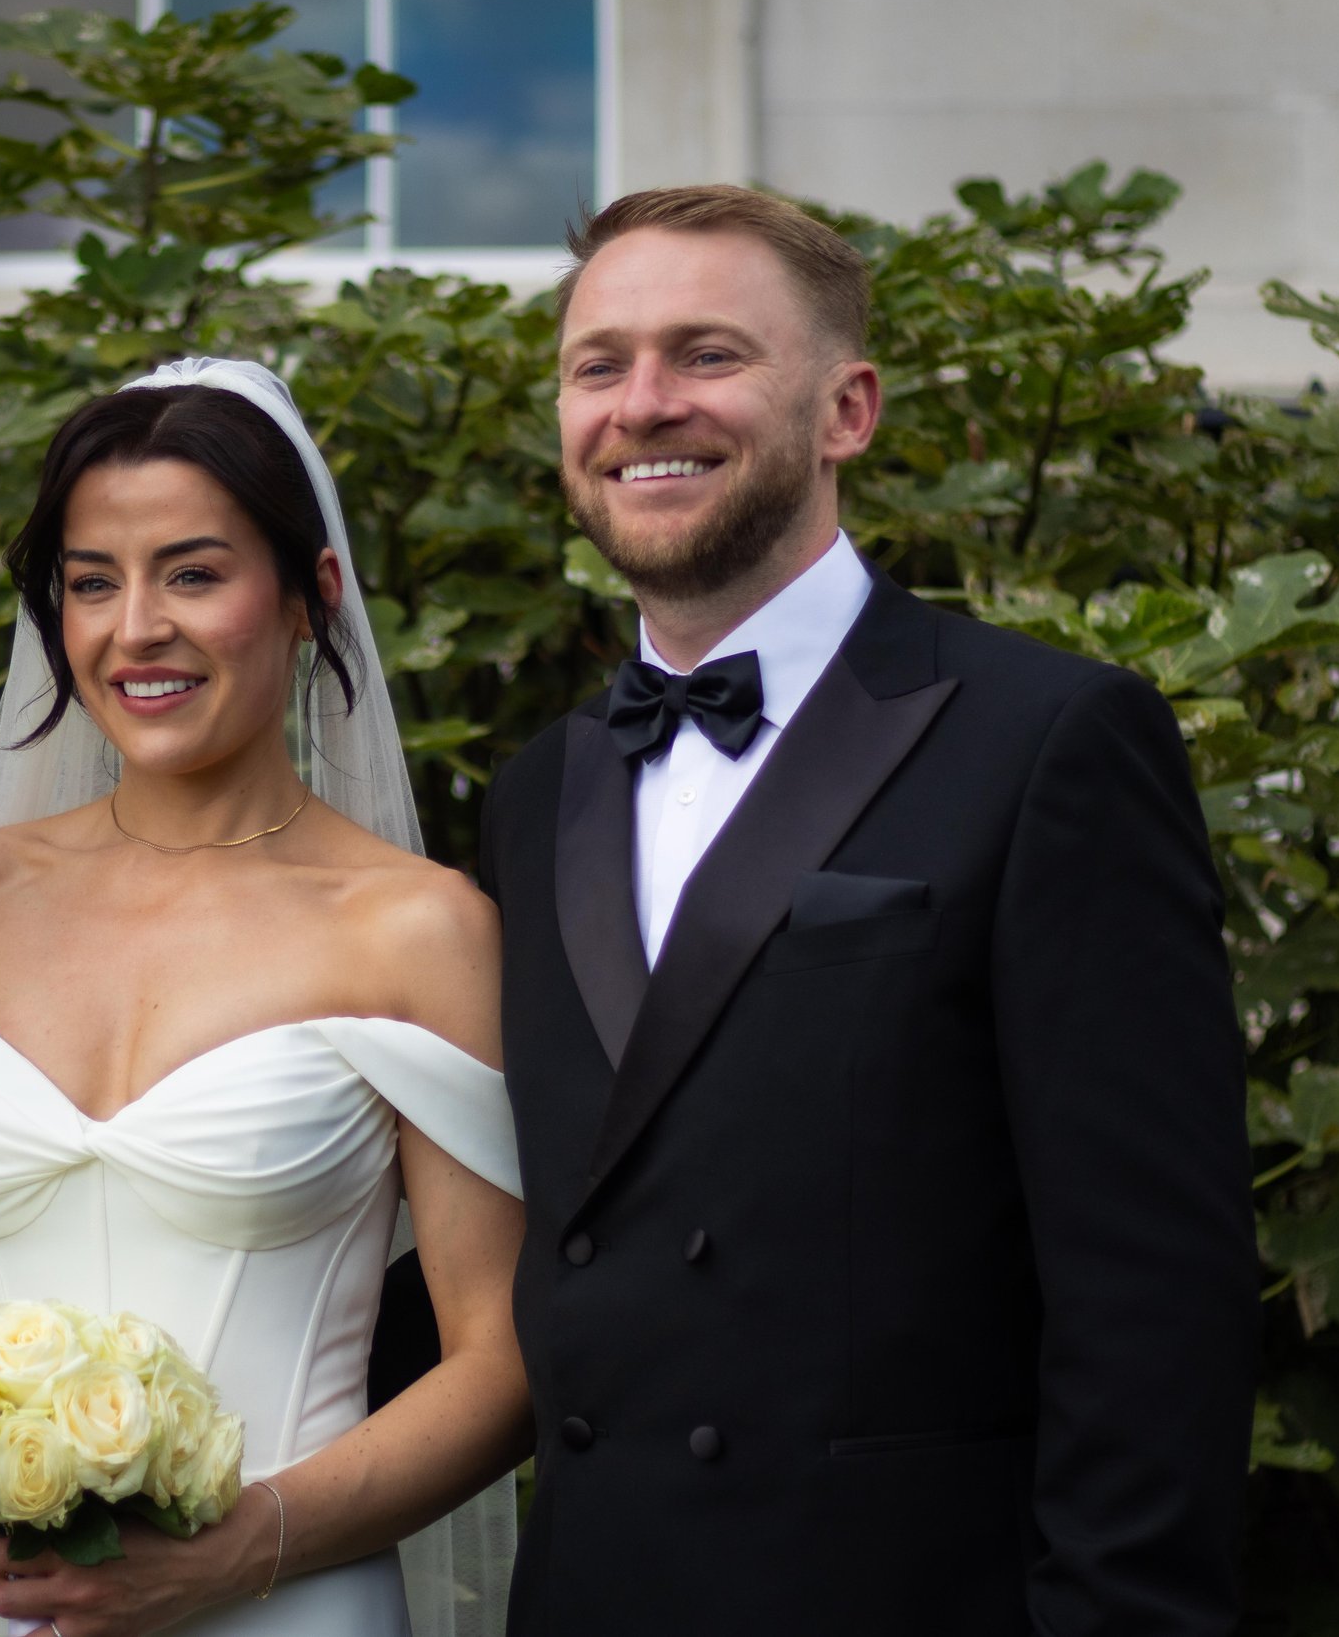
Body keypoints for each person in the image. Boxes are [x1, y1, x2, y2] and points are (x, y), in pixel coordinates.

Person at [483, 184, 1259, 1634]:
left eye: (708, 354)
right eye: (600, 365)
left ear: (849, 409)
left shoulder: (1051, 739)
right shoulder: (541, 792)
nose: (642, 404)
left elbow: (1154, 1301)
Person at [0, 358, 529, 1637]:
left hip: (283, 1600)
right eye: (90, 581)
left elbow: (502, 1362)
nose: (135, 629)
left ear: (312, 596)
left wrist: (249, 1545)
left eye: (193, 572)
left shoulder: (420, 930)